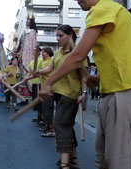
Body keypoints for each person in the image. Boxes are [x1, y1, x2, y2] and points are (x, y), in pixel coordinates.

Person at [39, 0, 131, 169]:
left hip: (130, 92)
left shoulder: (102, 8)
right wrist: (99, 77)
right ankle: (70, 159)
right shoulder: (110, 12)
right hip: (114, 92)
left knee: (120, 163)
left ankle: (68, 160)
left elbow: (78, 57)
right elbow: (121, 55)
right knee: (103, 159)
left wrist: (49, 82)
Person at [35, 25, 87, 168]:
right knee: (67, 126)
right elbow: (50, 68)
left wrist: (84, 93)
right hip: (58, 94)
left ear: (70, 35)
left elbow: (84, 77)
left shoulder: (78, 53)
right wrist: (37, 72)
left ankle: (64, 163)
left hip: (71, 95)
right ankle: (73, 158)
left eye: (60, 35)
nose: (57, 38)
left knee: (61, 126)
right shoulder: (58, 53)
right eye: (56, 36)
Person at [28, 48, 43, 123]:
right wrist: (26, 78)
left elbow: (40, 73)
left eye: (35, 51)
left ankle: (41, 118)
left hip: (39, 83)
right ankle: (38, 116)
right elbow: (30, 73)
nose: (34, 52)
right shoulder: (32, 62)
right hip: (34, 83)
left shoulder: (41, 61)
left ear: (39, 52)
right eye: (33, 51)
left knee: (39, 101)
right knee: (35, 101)